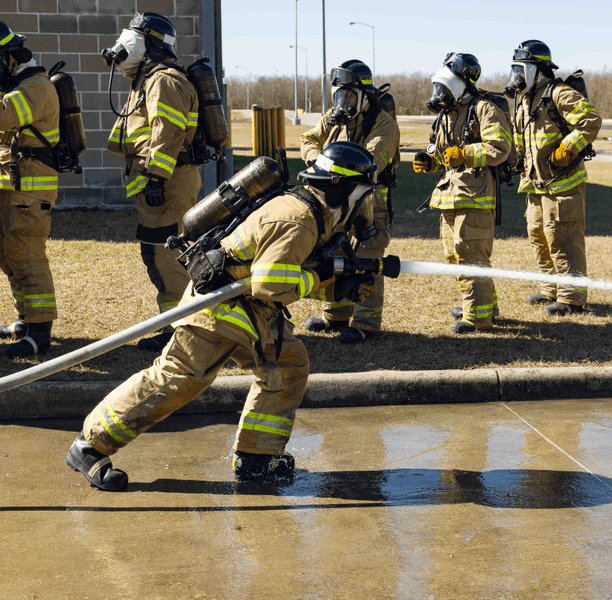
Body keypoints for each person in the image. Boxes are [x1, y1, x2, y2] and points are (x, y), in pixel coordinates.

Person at [65, 141, 379, 491]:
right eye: (364, 195)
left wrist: (337, 290)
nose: (367, 205)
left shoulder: (314, 216)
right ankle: (89, 446)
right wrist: (322, 278)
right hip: (219, 308)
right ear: (344, 189)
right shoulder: (299, 220)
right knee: (179, 377)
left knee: (288, 366)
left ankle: (256, 456)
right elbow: (272, 284)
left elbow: (284, 273)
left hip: (249, 310)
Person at [102, 12, 202, 352]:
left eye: (130, 39)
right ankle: (175, 326)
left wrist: (156, 177)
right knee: (157, 255)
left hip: (169, 184)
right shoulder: (145, 79)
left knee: (168, 257)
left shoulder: (164, 80)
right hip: (158, 184)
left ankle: (186, 331)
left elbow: (168, 131)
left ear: (149, 46)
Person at [300, 59, 400, 343]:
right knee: (335, 254)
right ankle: (335, 314)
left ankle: (366, 323)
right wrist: (313, 158)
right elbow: (308, 139)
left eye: (349, 96)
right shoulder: (333, 118)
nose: (341, 102)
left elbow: (369, 162)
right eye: (339, 95)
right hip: (334, 203)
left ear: (365, 97)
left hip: (370, 204)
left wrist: (324, 162)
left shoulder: (384, 124)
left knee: (367, 257)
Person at [413, 52, 511, 334]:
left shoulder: (484, 109)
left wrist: (465, 153)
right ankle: (483, 306)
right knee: (454, 257)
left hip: (476, 197)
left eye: (444, 87)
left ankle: (477, 318)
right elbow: (445, 156)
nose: (439, 94)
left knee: (470, 255)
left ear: (459, 85)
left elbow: (499, 148)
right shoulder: (447, 115)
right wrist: (431, 162)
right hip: (449, 197)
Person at [505, 40, 602, 316]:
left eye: (520, 69)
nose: (516, 76)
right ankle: (551, 288)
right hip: (536, 184)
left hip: (563, 184)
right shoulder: (524, 100)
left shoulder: (559, 93)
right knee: (539, 236)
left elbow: (590, 120)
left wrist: (566, 148)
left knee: (563, 238)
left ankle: (572, 298)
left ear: (537, 70)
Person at [0, 23, 60, 358]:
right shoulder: (16, 86)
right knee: (9, 253)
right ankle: (24, 320)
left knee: (26, 252)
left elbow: (3, 116)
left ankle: (40, 332)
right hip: (12, 187)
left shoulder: (35, 87)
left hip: (32, 190)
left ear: (9, 58)